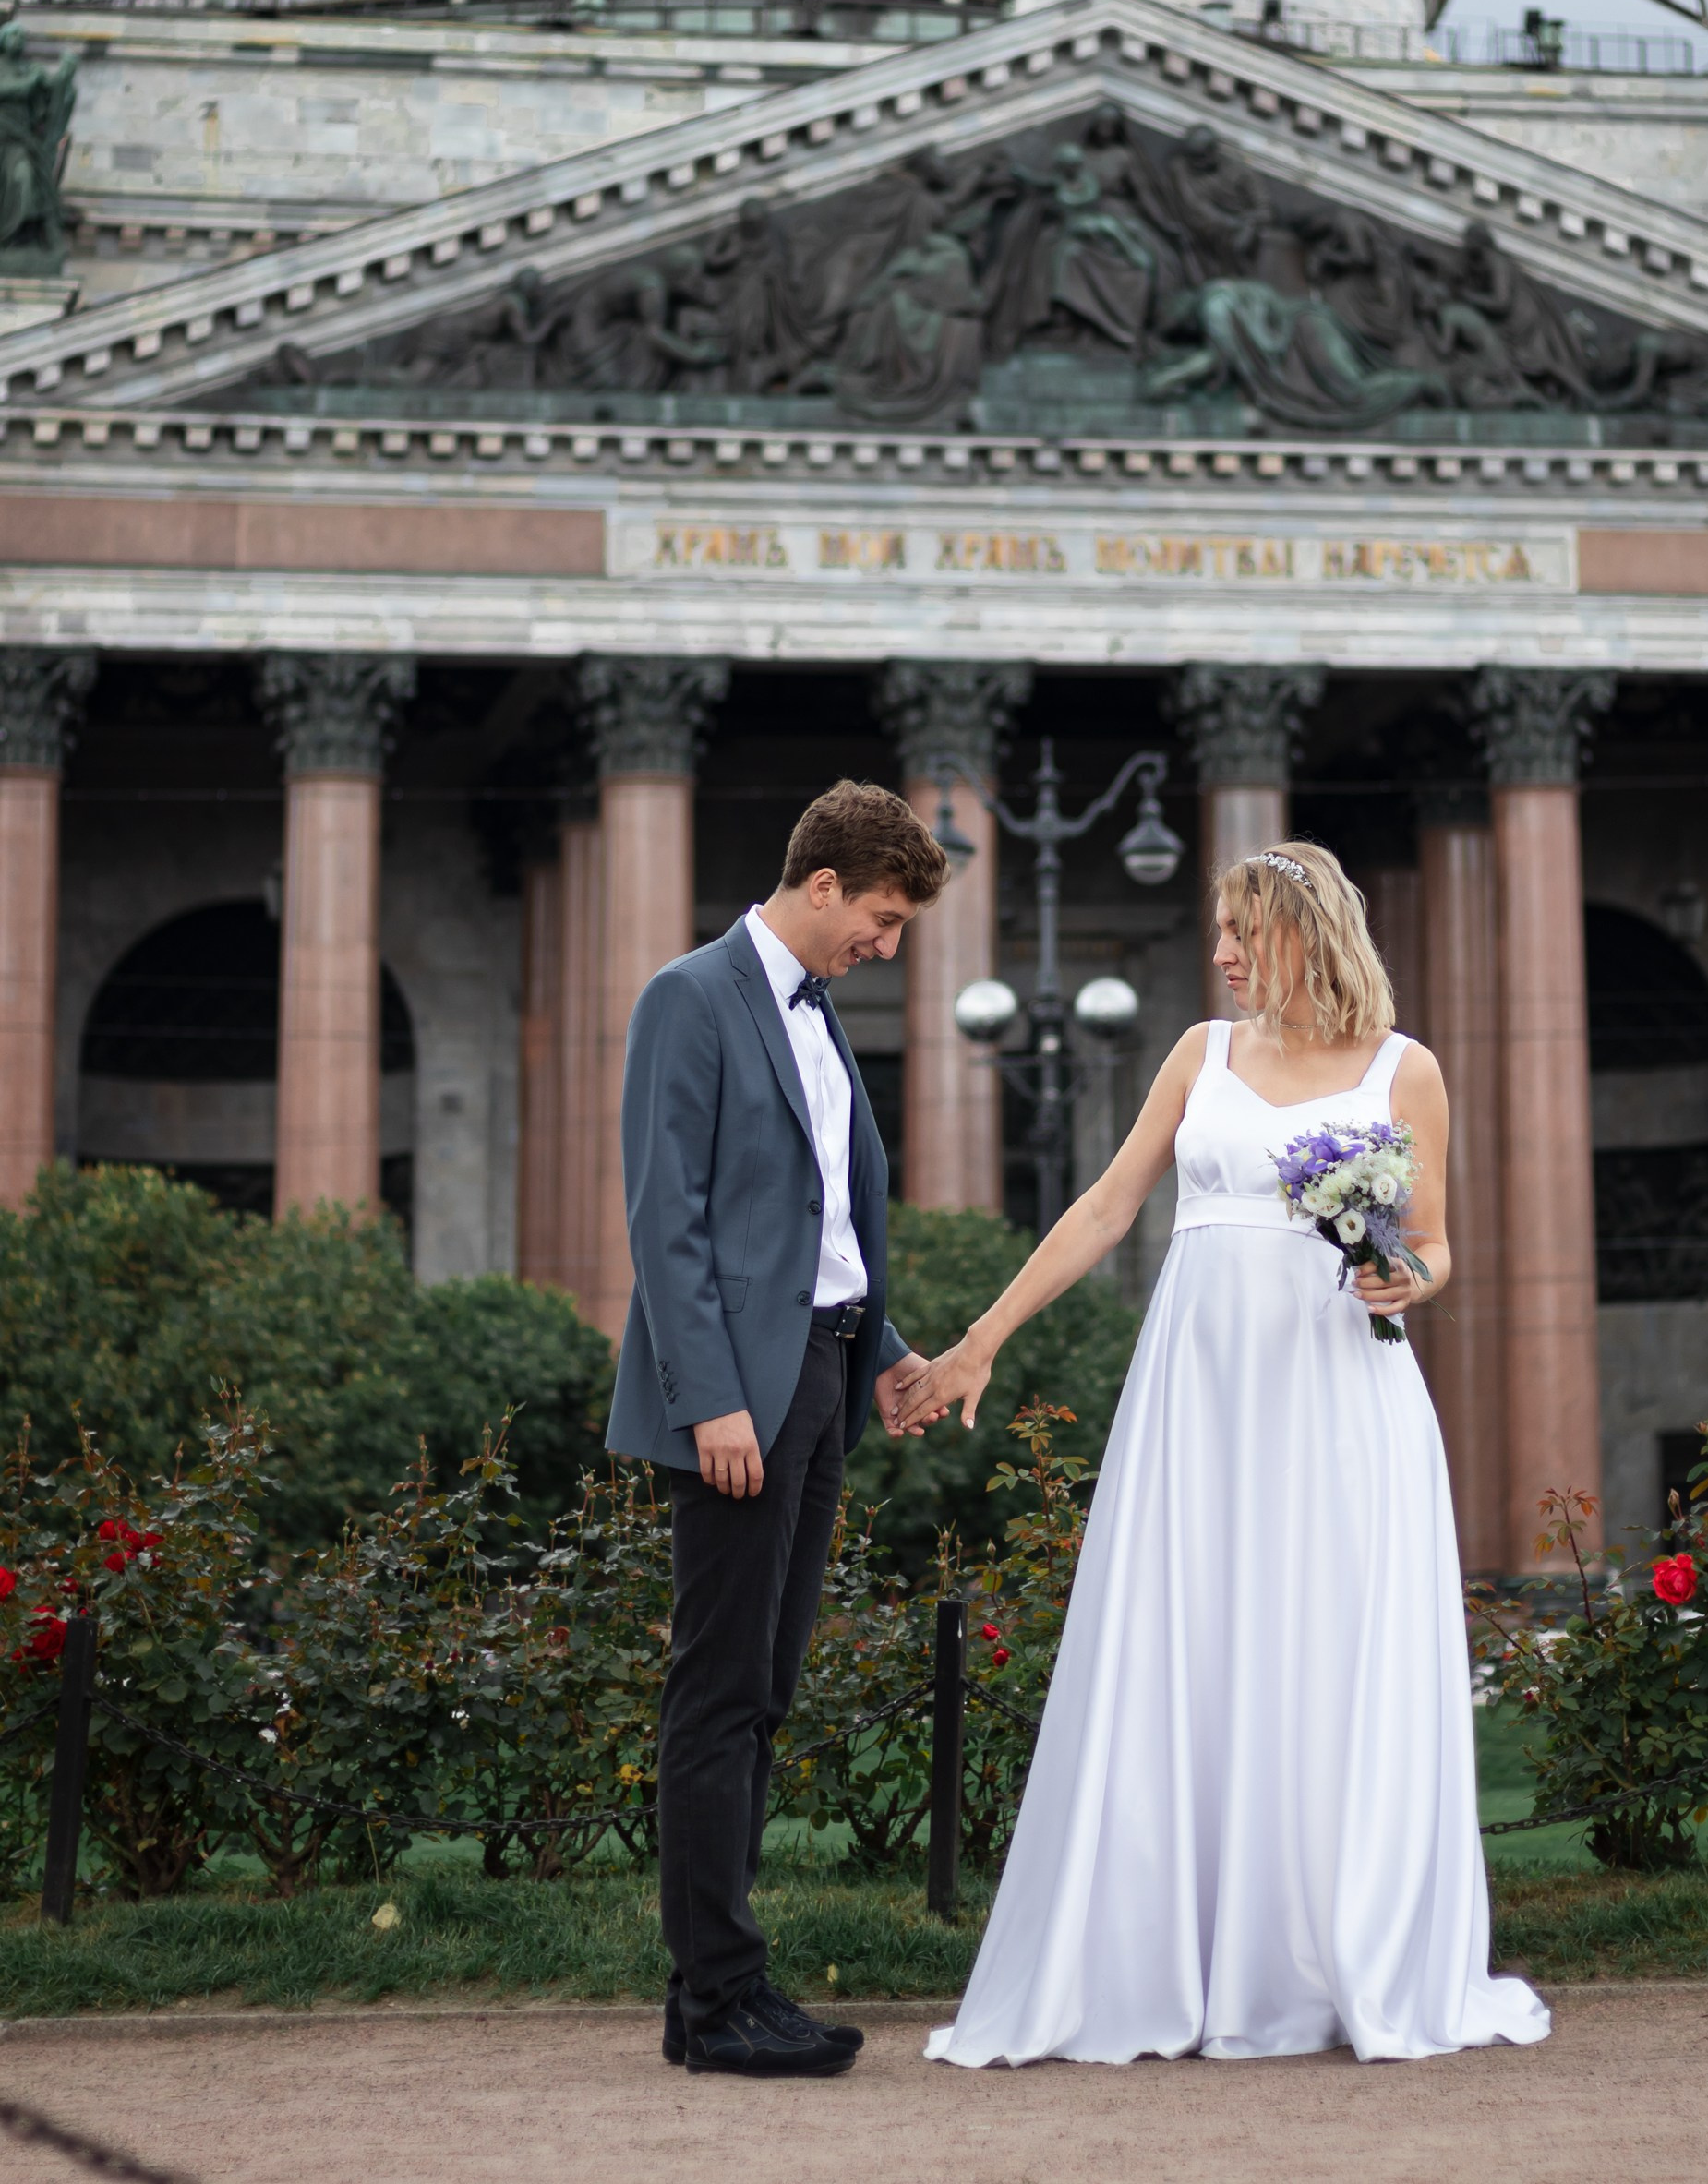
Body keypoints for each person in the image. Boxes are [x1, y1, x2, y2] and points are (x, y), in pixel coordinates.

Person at [898, 842, 1551, 2068]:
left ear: (1300, 931)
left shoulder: (1409, 1072)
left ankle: (1325, 1954)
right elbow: (1105, 1205)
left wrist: (1405, 1275)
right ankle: (1177, 1954)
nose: (1220, 952)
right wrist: (982, 1337)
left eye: (1237, 930)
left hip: (1343, 1398)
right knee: (1191, 1643)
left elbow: (1441, 1244)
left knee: (1327, 1655)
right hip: (1199, 1400)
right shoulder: (1201, 1055)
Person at [607, 781, 951, 2078]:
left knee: (763, 1691)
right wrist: (712, 1400)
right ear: (820, 888)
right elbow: (667, 1219)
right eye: (880, 916)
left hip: (817, 1374)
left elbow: (822, 1226)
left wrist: (885, 1346)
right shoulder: (688, 998)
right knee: (718, 1692)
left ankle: (715, 1989)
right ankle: (719, 2002)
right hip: (740, 1401)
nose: (887, 944)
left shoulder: (818, 1018)